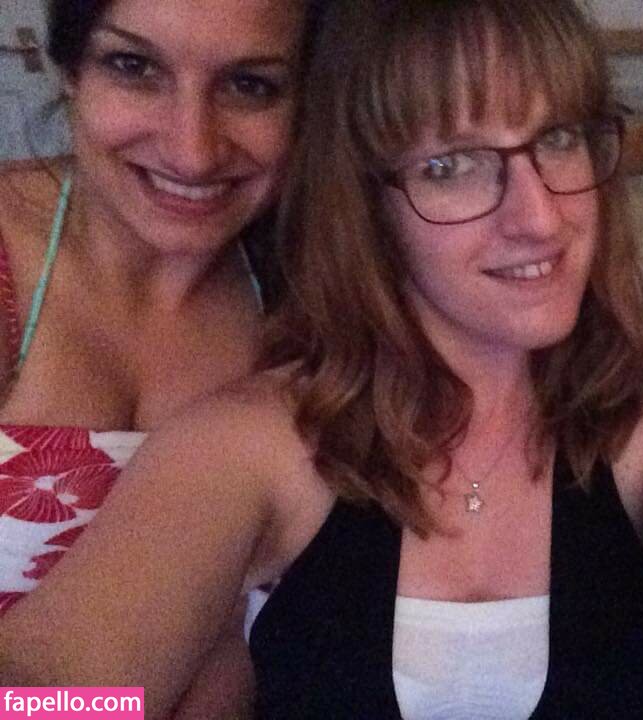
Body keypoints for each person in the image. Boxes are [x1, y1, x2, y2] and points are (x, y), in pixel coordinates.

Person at [0, 0, 643, 718]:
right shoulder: (248, 443)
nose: (539, 217)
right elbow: (74, 678)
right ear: (367, 205)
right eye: (453, 166)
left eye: (557, 140)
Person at [0, 0, 324, 715]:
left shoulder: (322, 310)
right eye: (134, 66)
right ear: (69, 69)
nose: (192, 150)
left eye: (250, 85)